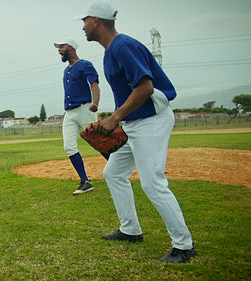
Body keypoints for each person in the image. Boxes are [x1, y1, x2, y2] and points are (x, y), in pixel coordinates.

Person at [78, 0, 196, 263]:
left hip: (151, 120)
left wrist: (116, 117)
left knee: (152, 182)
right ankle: (130, 230)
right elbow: (130, 91)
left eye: (84, 20)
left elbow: (145, 88)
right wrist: (116, 119)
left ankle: (184, 246)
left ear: (96, 20)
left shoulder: (124, 46)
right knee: (114, 173)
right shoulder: (111, 51)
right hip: (133, 123)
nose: (83, 26)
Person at [53, 38, 109, 196]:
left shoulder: (85, 65)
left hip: (85, 109)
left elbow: (94, 85)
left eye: (61, 46)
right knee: (69, 147)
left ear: (70, 47)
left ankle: (118, 170)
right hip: (69, 113)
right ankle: (85, 181)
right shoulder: (66, 70)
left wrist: (95, 103)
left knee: (98, 143)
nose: (59, 50)